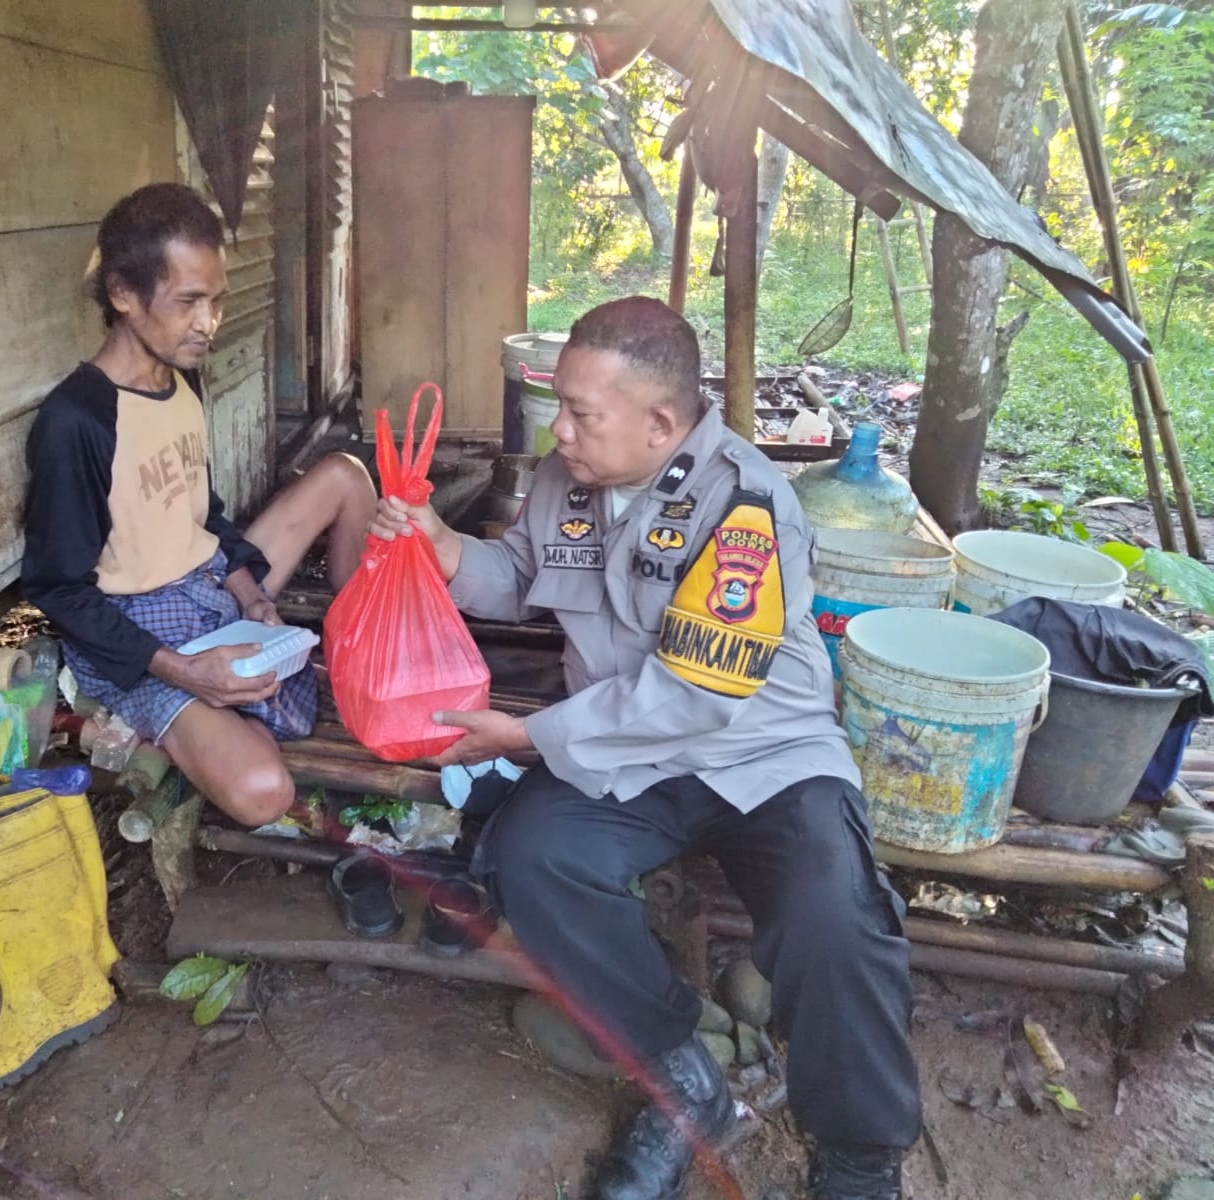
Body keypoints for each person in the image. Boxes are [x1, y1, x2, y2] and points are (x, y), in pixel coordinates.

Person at [369, 297, 920, 1200]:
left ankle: (858, 1161)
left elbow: (698, 690)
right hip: (627, 753)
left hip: (762, 752)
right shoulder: (565, 476)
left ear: (662, 422)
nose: (562, 430)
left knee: (836, 911)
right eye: (561, 406)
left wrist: (529, 735)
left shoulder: (746, 502)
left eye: (583, 412)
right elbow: (518, 578)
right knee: (538, 857)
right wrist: (442, 548)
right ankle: (684, 1081)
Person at [23, 183, 376, 826]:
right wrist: (187, 674)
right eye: (188, 302)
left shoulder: (180, 382)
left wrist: (252, 598)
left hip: (210, 587)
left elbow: (204, 515)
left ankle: (357, 646)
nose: (208, 323)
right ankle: (177, 721)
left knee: (346, 475)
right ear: (124, 295)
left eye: (215, 300)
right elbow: (59, 589)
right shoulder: (77, 420)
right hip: (136, 632)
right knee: (264, 792)